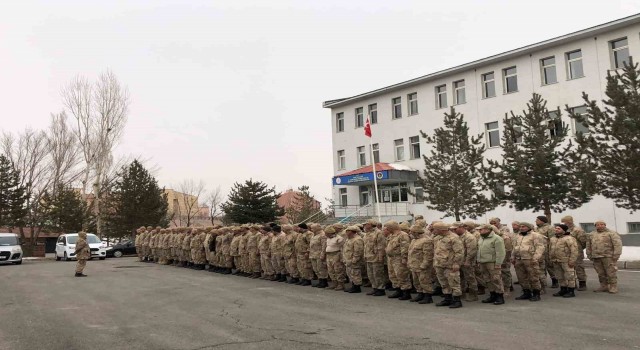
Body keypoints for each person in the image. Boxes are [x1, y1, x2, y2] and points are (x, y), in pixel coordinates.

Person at [433, 222, 464, 308]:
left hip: (450, 265)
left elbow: (459, 252)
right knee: (443, 283)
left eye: (435, 229)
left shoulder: (454, 238)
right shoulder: (437, 238)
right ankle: (447, 299)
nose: (434, 231)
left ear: (442, 230)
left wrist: (456, 263)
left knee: (454, 282)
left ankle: (457, 300)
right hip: (439, 264)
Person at [586, 220, 623, 294]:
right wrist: (589, 254)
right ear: (595, 226)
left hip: (608, 256)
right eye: (598, 225)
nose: (600, 226)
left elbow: (617, 244)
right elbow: (588, 245)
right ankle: (603, 286)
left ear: (605, 225)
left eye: (602, 224)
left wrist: (616, 255)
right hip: (596, 256)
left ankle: (613, 286)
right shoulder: (591, 234)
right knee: (600, 273)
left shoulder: (611, 233)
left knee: (610, 272)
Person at [512, 222, 545, 301]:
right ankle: (526, 293)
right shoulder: (518, 236)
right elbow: (515, 247)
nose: (521, 228)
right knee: (521, 277)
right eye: (520, 226)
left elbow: (540, 248)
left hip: (530, 259)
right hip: (519, 259)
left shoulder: (536, 235)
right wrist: (512, 257)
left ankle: (536, 294)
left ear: (528, 227)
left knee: (534, 277)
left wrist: (535, 258)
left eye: (523, 226)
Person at [477, 224, 506, 305]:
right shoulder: (481, 238)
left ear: (487, 229)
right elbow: (479, 250)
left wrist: (498, 263)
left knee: (496, 279)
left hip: (492, 262)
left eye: (481, 229)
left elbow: (501, 252)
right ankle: (492, 294)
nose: (479, 231)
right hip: (483, 262)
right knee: (487, 279)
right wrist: (479, 261)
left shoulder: (497, 238)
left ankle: (500, 296)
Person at [384, 221, 412, 300]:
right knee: (393, 275)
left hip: (399, 258)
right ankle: (398, 290)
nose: (386, 229)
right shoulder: (392, 235)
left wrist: (404, 258)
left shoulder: (403, 235)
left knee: (402, 275)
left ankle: (406, 292)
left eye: (388, 227)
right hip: (391, 258)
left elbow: (405, 247)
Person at [549, 224, 579, 298]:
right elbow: (550, 249)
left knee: (570, 276)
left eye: (558, 229)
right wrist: (551, 258)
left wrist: (572, 261)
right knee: (560, 276)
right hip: (556, 260)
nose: (556, 230)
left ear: (564, 230)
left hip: (566, 260)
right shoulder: (553, 239)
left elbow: (574, 250)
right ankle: (563, 289)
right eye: (556, 228)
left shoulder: (569, 238)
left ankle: (571, 291)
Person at [407, 224, 434, 304]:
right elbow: (410, 253)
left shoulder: (426, 240)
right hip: (414, 265)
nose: (410, 233)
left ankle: (428, 296)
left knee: (424, 281)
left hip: (422, 265)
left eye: (411, 232)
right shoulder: (414, 240)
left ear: (416, 232)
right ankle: (420, 294)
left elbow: (428, 255)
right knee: (416, 281)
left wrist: (424, 265)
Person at [561, 216, 588, 291]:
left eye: (564, 222)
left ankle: (582, 283)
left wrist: (578, 249)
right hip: (566, 253)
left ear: (569, 221)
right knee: (569, 269)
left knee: (579, 267)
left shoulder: (577, 230)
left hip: (577, 252)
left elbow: (583, 241)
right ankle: (572, 284)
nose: (563, 223)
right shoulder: (564, 230)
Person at [453, 222, 478, 302]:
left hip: (467, 261)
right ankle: (462, 294)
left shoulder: (469, 237)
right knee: (460, 278)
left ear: (461, 227)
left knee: (470, 278)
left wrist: (467, 261)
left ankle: (473, 295)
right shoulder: (457, 237)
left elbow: (472, 251)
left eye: (455, 229)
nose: (454, 230)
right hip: (459, 261)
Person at [363, 219, 387, 296]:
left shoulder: (379, 233)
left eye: (367, 224)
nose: (365, 225)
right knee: (371, 274)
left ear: (372, 224)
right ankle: (375, 288)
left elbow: (381, 246)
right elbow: (366, 246)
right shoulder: (367, 233)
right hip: (368, 256)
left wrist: (380, 257)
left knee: (378, 274)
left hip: (376, 257)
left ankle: (380, 289)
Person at [536, 215, 557, 288]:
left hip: (547, 250)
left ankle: (555, 280)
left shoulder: (550, 228)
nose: (536, 221)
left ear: (542, 221)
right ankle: (543, 282)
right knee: (541, 267)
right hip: (539, 250)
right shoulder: (536, 229)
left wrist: (552, 249)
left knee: (550, 266)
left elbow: (552, 239)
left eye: (537, 220)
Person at [342, 225, 365, 293]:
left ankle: (357, 287)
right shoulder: (348, 239)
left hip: (354, 260)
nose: (346, 232)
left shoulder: (357, 239)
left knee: (355, 274)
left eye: (348, 231)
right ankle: (353, 285)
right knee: (350, 274)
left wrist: (355, 259)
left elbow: (358, 251)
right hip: (348, 259)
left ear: (352, 232)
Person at [324, 226, 346, 290]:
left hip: (336, 254)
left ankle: (340, 284)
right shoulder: (328, 238)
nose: (325, 234)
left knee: (338, 270)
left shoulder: (339, 238)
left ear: (330, 233)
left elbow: (342, 248)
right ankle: (334, 283)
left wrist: (341, 257)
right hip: (329, 255)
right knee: (331, 270)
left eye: (326, 233)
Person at [309, 223, 329, 288]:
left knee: (321, 269)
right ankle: (320, 281)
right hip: (313, 254)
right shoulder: (313, 235)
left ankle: (324, 282)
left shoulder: (323, 235)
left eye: (313, 228)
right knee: (316, 269)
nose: (311, 229)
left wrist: (323, 254)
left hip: (319, 254)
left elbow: (324, 246)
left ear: (317, 228)